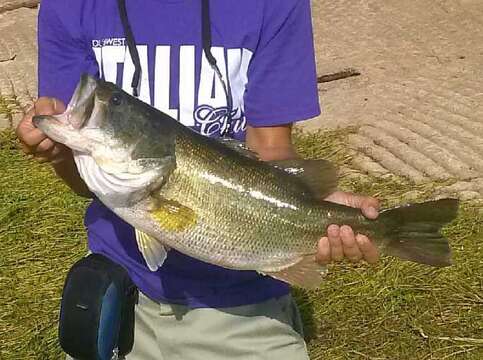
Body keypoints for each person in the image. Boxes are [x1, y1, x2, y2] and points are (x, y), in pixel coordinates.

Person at [16, 0, 380, 358]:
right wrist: (59, 151)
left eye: (113, 104)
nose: (97, 105)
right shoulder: (70, 7)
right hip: (117, 295)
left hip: (240, 307)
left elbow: (271, 151)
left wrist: (320, 210)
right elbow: (87, 177)